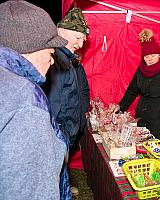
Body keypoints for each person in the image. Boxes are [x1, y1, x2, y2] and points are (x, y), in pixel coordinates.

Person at [0, 0, 72, 199]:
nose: (51, 60)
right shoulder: (27, 99)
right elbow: (34, 190)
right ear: (30, 47)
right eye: (50, 53)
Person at [42, 7, 90, 196]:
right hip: (60, 130)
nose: (81, 43)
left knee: (62, 168)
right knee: (55, 171)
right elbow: (53, 103)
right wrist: (59, 133)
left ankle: (63, 189)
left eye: (83, 39)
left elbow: (76, 93)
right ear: (61, 31)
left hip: (67, 129)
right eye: (77, 37)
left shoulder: (68, 59)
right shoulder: (56, 60)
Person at [119, 29, 160, 139]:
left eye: (153, 55)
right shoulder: (141, 70)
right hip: (142, 118)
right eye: (146, 56)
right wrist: (120, 108)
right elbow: (132, 90)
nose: (150, 59)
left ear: (159, 55)